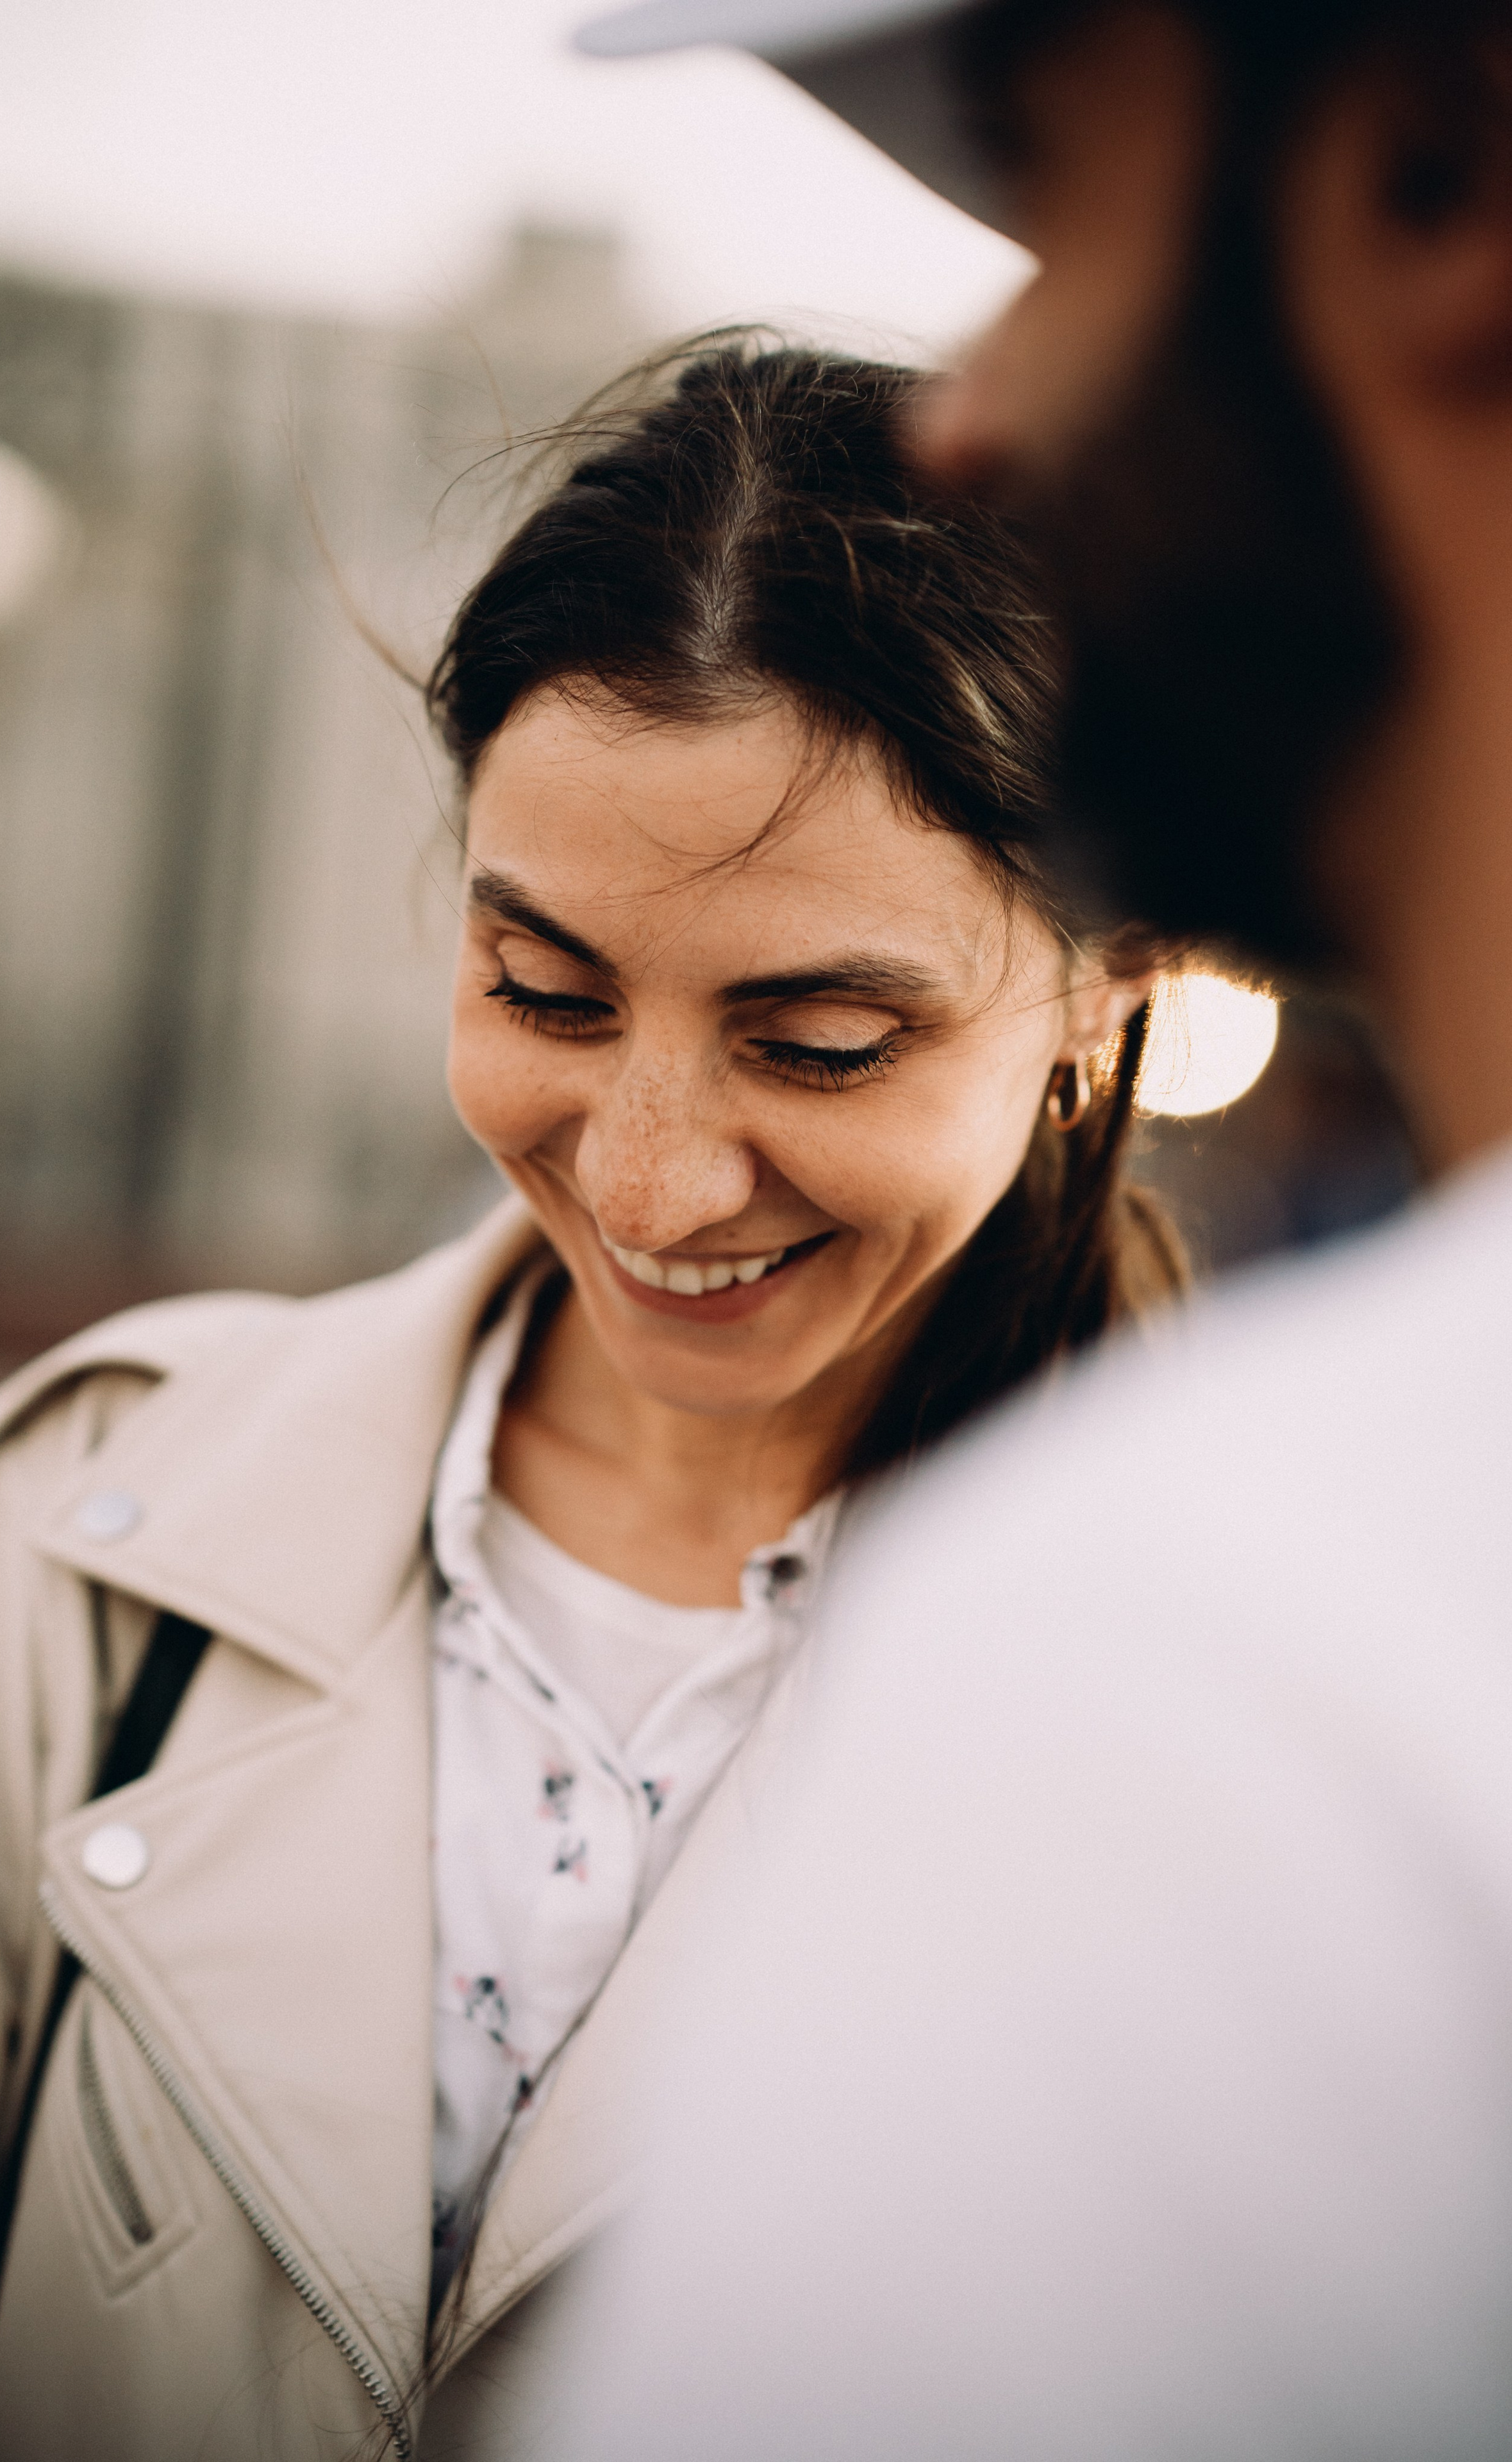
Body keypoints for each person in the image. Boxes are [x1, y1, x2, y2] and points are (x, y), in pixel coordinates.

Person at [0, 344, 1177, 2459]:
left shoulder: (1283, 1717)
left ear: (1101, 1001)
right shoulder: (100, 1522)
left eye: (822, 1043)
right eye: (543, 995)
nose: (652, 1180)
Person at [519, 1, 1512, 2456]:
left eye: (1052, 192)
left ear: (1431, 191)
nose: (969, 408)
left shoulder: (1220, 1657)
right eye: (538, 977)